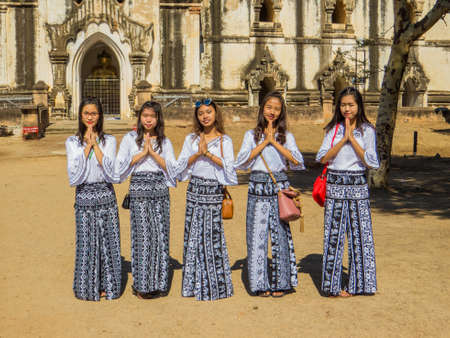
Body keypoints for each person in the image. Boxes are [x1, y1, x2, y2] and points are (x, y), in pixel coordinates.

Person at [235, 91, 305, 298]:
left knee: (280, 235)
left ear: (281, 111)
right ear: (262, 109)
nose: (272, 112)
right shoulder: (251, 135)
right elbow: (241, 163)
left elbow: (298, 162)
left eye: (276, 108)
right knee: (256, 236)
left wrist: (274, 142)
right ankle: (259, 283)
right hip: (257, 186)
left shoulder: (287, 136)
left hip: (279, 189)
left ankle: (281, 282)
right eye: (268, 107)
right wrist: (264, 142)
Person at [316, 86, 379, 297]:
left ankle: (359, 285)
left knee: (360, 236)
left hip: (357, 186)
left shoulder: (367, 131)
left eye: (351, 105)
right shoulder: (333, 129)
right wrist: (343, 138)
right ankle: (331, 286)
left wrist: (353, 138)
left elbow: (371, 161)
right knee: (333, 236)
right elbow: (323, 158)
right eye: (343, 105)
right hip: (334, 185)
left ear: (359, 106)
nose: (346, 109)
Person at [176, 98, 237, 301]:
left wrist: (208, 154)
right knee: (193, 235)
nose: (205, 116)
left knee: (211, 236)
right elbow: (181, 166)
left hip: (213, 190)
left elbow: (230, 168)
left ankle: (215, 285)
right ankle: (192, 285)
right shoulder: (191, 140)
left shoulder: (224, 141)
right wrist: (197, 153)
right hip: (195, 189)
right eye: (201, 113)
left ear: (215, 114)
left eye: (208, 112)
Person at [114, 101, 177, 299]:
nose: (148, 119)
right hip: (139, 188)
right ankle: (142, 285)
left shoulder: (164, 141)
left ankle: (159, 284)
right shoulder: (129, 138)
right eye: (145, 115)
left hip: (159, 189)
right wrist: (142, 154)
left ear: (158, 118)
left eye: (152, 116)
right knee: (142, 236)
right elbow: (119, 167)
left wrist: (153, 154)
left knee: (160, 235)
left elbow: (173, 169)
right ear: (140, 117)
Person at [65, 97, 121, 301]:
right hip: (84, 195)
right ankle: (87, 287)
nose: (90, 117)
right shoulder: (72, 142)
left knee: (108, 242)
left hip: (106, 193)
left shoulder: (110, 141)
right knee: (87, 243)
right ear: (80, 115)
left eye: (94, 113)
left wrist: (95, 144)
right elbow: (74, 175)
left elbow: (111, 172)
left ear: (100, 116)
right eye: (86, 113)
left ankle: (108, 285)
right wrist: (86, 147)